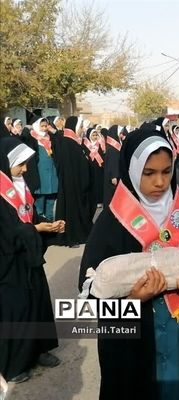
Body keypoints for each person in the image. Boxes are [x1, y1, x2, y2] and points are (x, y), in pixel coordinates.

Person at [78, 126, 179, 399]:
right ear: (133, 170)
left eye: (167, 171)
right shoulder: (111, 223)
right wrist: (133, 300)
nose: (160, 182)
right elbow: (87, 297)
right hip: (132, 345)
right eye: (149, 173)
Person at [0, 137, 65, 383]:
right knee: (16, 310)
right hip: (9, 263)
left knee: (38, 303)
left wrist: (47, 227)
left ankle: (40, 349)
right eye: (21, 165)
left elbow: (30, 216)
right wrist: (36, 229)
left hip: (29, 255)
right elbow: (7, 232)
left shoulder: (20, 183)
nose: (25, 169)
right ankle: (15, 363)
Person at [54, 116, 94, 247]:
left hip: (77, 184)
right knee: (72, 212)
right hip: (72, 185)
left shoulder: (74, 142)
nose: (82, 130)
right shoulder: (68, 143)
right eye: (80, 127)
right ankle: (72, 237)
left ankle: (80, 234)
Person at [30, 118, 59, 221]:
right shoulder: (33, 138)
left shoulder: (50, 138)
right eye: (42, 126)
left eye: (46, 126)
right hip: (40, 173)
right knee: (40, 200)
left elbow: (60, 138)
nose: (44, 128)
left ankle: (50, 220)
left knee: (51, 198)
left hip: (52, 172)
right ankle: (40, 220)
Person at [83, 128, 105, 207]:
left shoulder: (100, 144)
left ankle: (99, 200)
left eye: (96, 135)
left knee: (99, 183)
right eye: (93, 135)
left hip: (99, 167)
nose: (95, 137)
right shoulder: (85, 144)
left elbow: (103, 155)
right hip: (89, 167)